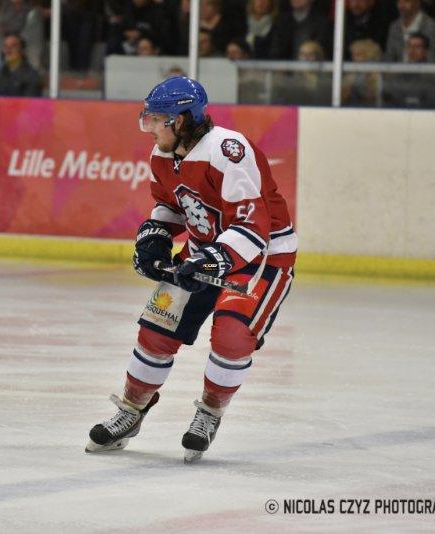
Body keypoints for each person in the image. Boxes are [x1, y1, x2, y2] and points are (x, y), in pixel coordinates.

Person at [86, 76, 297, 463]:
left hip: (261, 258)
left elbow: (253, 228)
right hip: (205, 251)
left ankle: (210, 413)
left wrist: (210, 258)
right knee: (156, 330)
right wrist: (155, 235)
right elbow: (172, 205)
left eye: (156, 120)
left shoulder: (229, 151)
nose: (149, 128)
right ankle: (131, 411)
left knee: (232, 336)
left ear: (180, 120)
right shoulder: (162, 154)